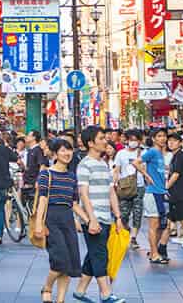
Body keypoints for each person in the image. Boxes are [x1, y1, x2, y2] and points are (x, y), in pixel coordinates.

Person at [72, 126, 126, 303]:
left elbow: (111, 192)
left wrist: (117, 217)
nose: (106, 141)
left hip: (106, 217)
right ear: (90, 143)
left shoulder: (103, 164)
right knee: (100, 255)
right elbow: (83, 194)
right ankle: (105, 294)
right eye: (101, 138)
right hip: (93, 219)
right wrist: (91, 220)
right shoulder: (84, 165)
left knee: (94, 254)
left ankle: (80, 291)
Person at [33, 138, 85, 303]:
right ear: (55, 153)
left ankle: (60, 300)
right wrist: (39, 224)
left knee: (69, 263)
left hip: (67, 218)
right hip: (51, 219)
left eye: (69, 150)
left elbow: (73, 203)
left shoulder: (71, 176)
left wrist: (88, 219)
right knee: (60, 259)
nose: (67, 153)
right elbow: (43, 200)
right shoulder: (46, 174)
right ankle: (47, 286)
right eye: (62, 150)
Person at [132, 127, 167, 263]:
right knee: (154, 225)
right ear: (153, 139)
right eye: (159, 136)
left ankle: (154, 251)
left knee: (160, 225)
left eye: (164, 136)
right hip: (152, 192)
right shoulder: (152, 151)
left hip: (160, 192)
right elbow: (136, 162)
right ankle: (154, 253)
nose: (162, 138)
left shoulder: (159, 153)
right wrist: (146, 175)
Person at [23, 130, 47, 211]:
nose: (26, 137)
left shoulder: (37, 150)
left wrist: (38, 180)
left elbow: (42, 166)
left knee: (34, 205)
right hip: (28, 180)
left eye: (29, 135)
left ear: (34, 138)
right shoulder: (30, 150)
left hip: (34, 182)